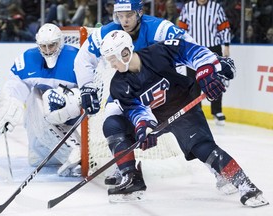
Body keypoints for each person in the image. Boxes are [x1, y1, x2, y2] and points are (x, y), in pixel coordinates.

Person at [99, 29, 269, 208]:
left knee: (202, 148)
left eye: (113, 59)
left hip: (183, 108)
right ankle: (131, 179)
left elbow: (193, 51)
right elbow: (135, 109)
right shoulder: (118, 84)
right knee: (112, 125)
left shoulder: (159, 52)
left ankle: (246, 186)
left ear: (124, 53)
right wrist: (143, 127)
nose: (112, 65)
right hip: (155, 117)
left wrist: (206, 70)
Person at [74, 0, 232, 190]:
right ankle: (128, 171)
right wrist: (87, 87)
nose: (124, 21)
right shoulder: (108, 32)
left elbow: (188, 46)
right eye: (120, 16)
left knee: (193, 134)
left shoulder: (160, 28)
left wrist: (212, 65)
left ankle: (217, 169)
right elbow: (84, 57)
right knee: (112, 121)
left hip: (165, 88)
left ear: (139, 12)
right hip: (130, 91)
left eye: (129, 15)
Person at [0, 23, 82, 177]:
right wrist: (9, 104)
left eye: (52, 45)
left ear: (60, 43)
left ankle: (76, 152)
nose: (48, 50)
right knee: (37, 159)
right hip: (44, 116)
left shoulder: (77, 58)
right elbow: (14, 86)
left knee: (47, 98)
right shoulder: (27, 59)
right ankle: (55, 152)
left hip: (71, 113)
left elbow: (93, 86)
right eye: (44, 46)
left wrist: (73, 98)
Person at [178, 0, 231, 126]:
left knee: (215, 80)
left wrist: (227, 45)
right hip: (193, 50)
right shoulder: (188, 7)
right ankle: (196, 112)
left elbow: (224, 27)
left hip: (213, 48)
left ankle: (217, 111)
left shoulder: (216, 7)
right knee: (193, 82)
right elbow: (181, 29)